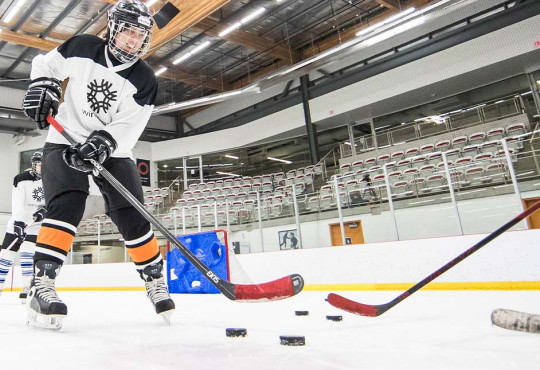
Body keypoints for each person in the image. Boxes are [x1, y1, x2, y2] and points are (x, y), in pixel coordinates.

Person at [22, 0, 174, 329]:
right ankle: (42, 283)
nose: (134, 41)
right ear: (113, 30)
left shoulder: (145, 79)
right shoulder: (82, 46)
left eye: (140, 35)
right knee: (66, 204)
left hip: (113, 147)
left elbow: (130, 126)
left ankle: (154, 280)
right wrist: (41, 85)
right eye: (128, 32)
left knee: (132, 212)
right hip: (66, 137)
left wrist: (105, 141)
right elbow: (43, 63)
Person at [0, 151, 47, 303]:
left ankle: (27, 286)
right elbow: (18, 203)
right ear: (34, 165)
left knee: (28, 251)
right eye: (39, 164)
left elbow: (53, 200)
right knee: (7, 255)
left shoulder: (51, 180)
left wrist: (45, 210)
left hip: (36, 225)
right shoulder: (21, 179)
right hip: (17, 223)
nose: (42, 167)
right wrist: (19, 223)